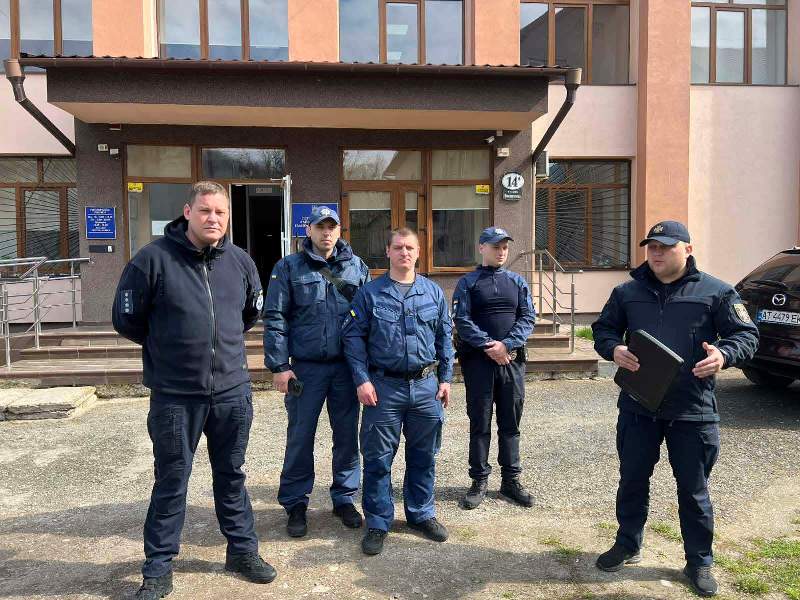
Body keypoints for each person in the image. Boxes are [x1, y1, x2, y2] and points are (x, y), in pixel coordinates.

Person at [112, 181, 276, 600]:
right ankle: (158, 568)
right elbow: (127, 320)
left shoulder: (240, 262)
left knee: (232, 476)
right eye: (205, 210)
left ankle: (242, 552)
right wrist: (170, 349)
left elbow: (248, 315)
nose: (213, 218)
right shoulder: (152, 260)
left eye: (220, 212)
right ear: (188, 212)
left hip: (231, 393)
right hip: (175, 396)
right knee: (171, 480)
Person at [592, 220, 759, 597]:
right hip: (638, 405)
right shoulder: (626, 292)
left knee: (694, 489)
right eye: (651, 246)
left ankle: (698, 560)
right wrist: (614, 349)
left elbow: (746, 335)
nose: (656, 253)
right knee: (632, 479)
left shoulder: (717, 292)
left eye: (665, 246)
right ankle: (628, 543)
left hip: (692, 409)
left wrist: (724, 355)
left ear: (687, 249)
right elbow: (604, 330)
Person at [342, 228, 454, 556]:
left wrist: (446, 379)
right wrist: (362, 380)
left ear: (418, 253)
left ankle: (421, 514)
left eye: (410, 248)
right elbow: (353, 338)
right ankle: (378, 522)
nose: (404, 252)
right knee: (378, 459)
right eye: (398, 247)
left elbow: (445, 337)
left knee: (424, 456)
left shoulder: (433, 292)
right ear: (388, 252)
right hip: (384, 388)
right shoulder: (370, 294)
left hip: (426, 387)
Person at [263, 206, 370, 538]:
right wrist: (280, 366)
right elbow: (275, 318)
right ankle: (296, 503)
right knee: (300, 436)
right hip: (304, 370)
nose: (326, 232)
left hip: (345, 369)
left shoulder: (357, 267)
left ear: (339, 231)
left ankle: (344, 498)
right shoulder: (288, 267)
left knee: (347, 437)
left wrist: (366, 370)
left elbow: (368, 319)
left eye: (331, 227)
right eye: (320, 227)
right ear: (308, 230)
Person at [452, 226, 536, 510]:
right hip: (479, 364)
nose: (501, 252)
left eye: (504, 247)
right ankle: (479, 481)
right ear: (481, 248)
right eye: (495, 246)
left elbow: (528, 317)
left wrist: (507, 345)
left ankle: (511, 480)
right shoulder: (468, 283)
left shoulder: (517, 282)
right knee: (480, 422)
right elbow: (462, 320)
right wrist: (490, 345)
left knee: (511, 423)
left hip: (511, 361)